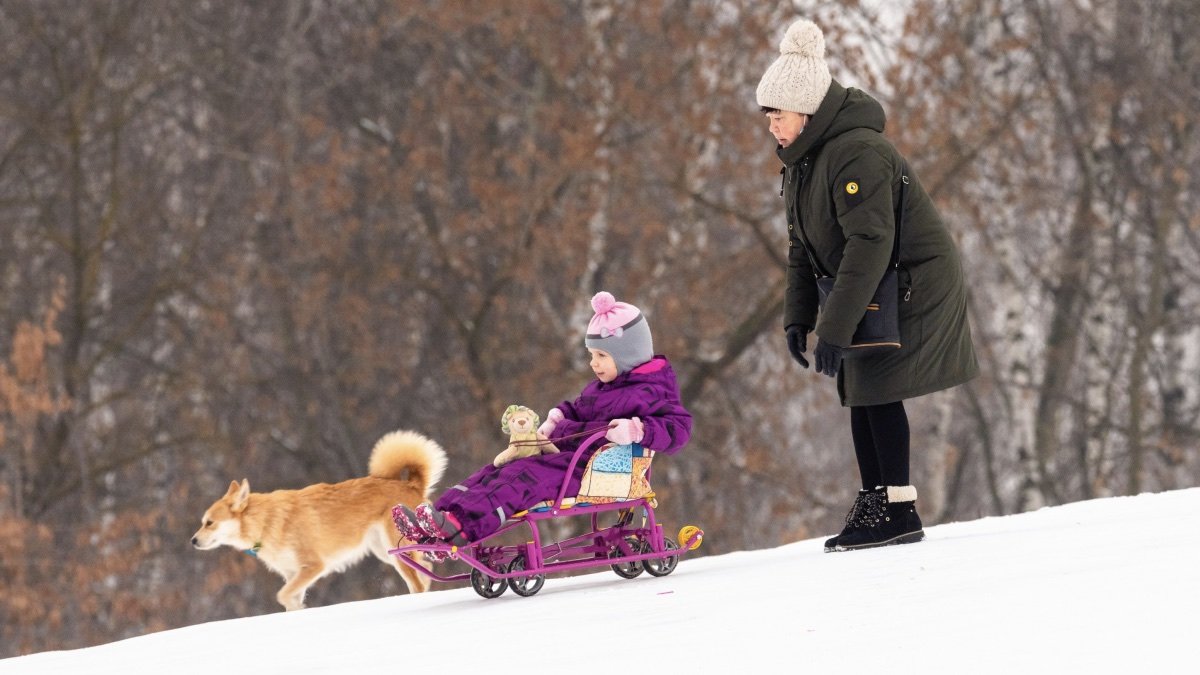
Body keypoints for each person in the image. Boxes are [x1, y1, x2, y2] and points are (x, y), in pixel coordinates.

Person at [756, 19, 978, 551]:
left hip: (912, 279)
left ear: (806, 113)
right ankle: (878, 499)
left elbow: (870, 243)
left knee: (874, 383)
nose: (771, 127)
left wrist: (834, 328)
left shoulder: (857, 152)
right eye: (767, 117)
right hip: (869, 278)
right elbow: (801, 249)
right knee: (859, 387)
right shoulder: (803, 165)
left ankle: (897, 509)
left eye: (778, 116)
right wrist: (799, 319)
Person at [393, 291, 692, 548]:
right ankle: (438, 516)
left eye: (601, 355)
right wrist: (557, 418)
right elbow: (579, 409)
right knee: (499, 469)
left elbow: (678, 428)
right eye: (592, 354)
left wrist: (636, 429)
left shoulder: (652, 390)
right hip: (569, 459)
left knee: (522, 478)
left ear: (627, 354)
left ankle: (459, 528)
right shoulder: (603, 388)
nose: (593, 363)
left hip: (593, 473)